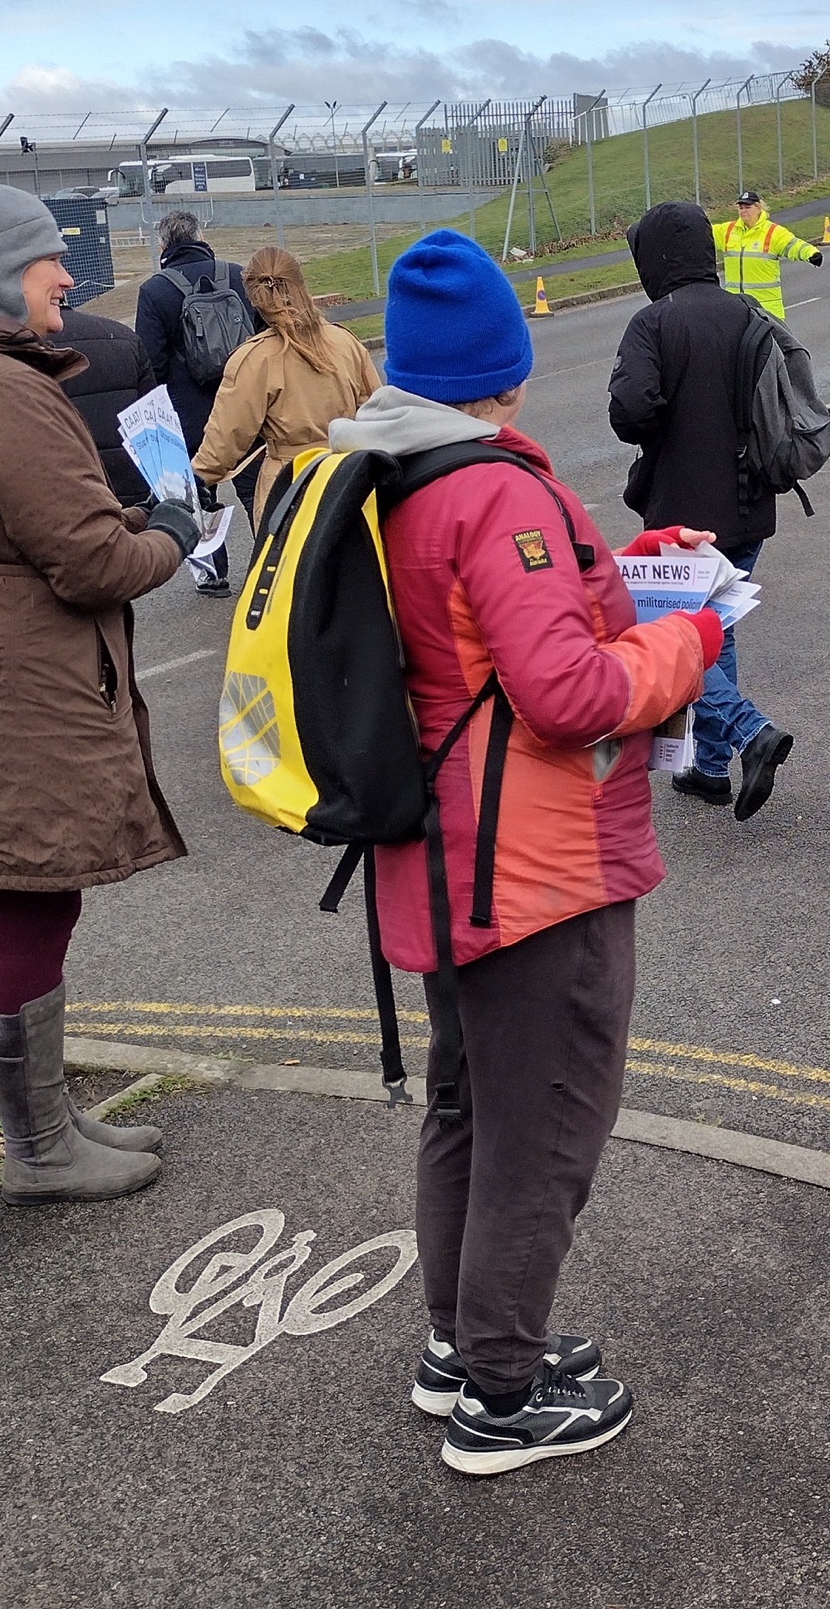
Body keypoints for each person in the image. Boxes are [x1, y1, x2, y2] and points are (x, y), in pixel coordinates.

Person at [327, 228, 718, 1476]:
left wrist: (625, 583)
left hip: (442, 858)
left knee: (468, 1106)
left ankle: (463, 1343)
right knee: (543, 1129)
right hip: (533, 870)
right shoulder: (497, 489)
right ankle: (501, 1393)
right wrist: (690, 636)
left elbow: (502, 644)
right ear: (502, 363)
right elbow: (563, 692)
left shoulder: (392, 473)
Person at [0, 183, 204, 1206]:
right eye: (44, 263)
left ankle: (48, 1122)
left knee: (35, 890)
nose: (67, 277)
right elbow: (89, 563)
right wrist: (171, 534)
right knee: (26, 893)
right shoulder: (3, 390)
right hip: (8, 678)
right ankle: (38, 1148)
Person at [608, 201, 794, 818]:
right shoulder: (749, 311)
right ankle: (710, 766)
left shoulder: (653, 323)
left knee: (667, 631)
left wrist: (665, 420)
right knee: (719, 626)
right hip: (750, 502)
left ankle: (748, 732)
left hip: (681, 510)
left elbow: (630, 412)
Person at [190, 243, 378, 525]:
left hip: (288, 485)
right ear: (301, 284)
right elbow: (373, 410)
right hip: (348, 477)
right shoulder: (345, 342)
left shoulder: (253, 358)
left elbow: (225, 439)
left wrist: (195, 478)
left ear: (252, 297)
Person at [134, 209, 255, 590]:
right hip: (246, 404)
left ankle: (213, 574)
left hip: (188, 415)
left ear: (164, 244)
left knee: (199, 495)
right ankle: (278, 567)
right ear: (200, 236)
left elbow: (150, 360)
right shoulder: (237, 275)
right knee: (257, 491)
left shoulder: (154, 291)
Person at [55, 301, 154, 508]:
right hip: (133, 483)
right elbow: (152, 420)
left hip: (72, 493)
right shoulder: (123, 336)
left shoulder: (24, 353)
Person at [713, 189, 822, 319]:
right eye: (740, 207)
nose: (743, 211)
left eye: (747, 207)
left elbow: (793, 245)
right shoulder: (728, 230)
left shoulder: (773, 232)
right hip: (738, 307)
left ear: (758, 208)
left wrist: (811, 253)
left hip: (767, 308)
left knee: (770, 340)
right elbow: (702, 231)